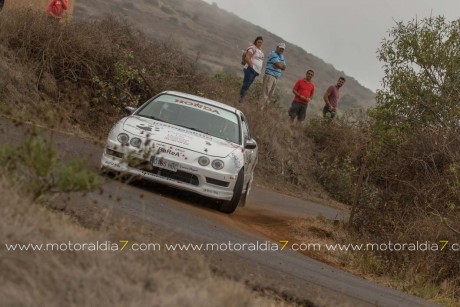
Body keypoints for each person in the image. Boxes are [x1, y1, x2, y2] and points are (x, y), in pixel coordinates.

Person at [239, 36, 264, 103]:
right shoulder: (252, 48)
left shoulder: (260, 51)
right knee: (246, 83)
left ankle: (242, 97)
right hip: (250, 69)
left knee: (249, 84)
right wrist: (252, 66)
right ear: (256, 41)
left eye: (261, 42)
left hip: (256, 71)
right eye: (258, 42)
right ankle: (240, 97)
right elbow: (247, 58)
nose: (259, 43)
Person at [261, 42, 286, 109]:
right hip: (270, 75)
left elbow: (284, 67)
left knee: (270, 95)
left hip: (276, 77)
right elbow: (278, 64)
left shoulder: (282, 57)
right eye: (280, 48)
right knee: (265, 93)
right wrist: (279, 65)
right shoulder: (273, 53)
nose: (281, 50)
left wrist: (279, 65)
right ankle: (260, 108)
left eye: (282, 49)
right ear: (277, 47)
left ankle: (265, 109)